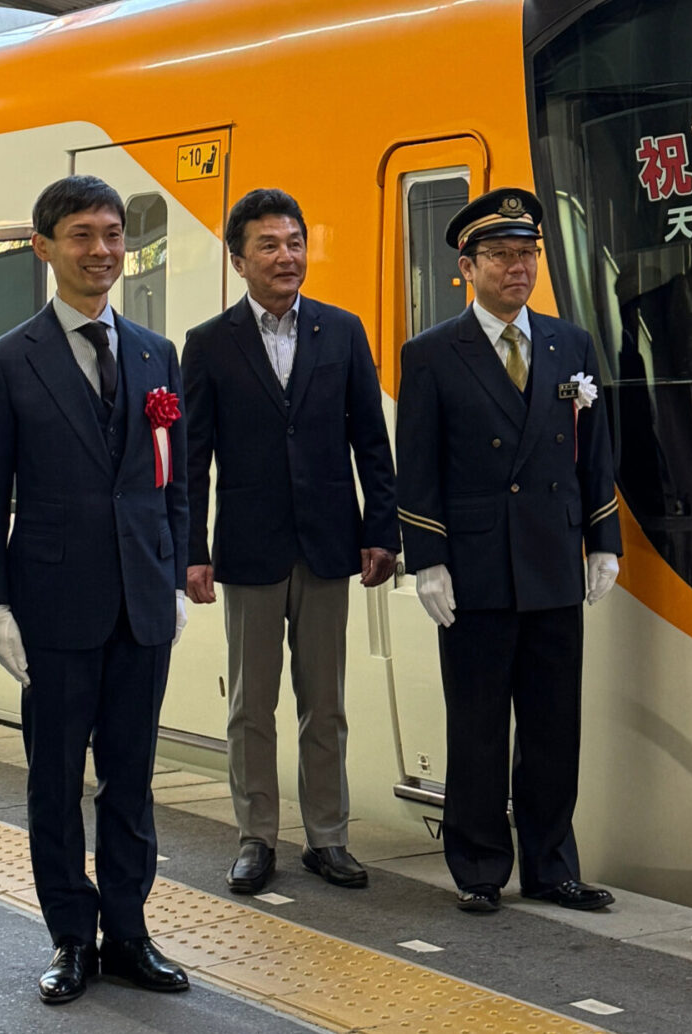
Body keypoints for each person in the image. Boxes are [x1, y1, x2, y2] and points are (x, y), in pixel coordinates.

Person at [0, 175, 190, 1005]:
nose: (101, 251)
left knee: (131, 777)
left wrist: (171, 571)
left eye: (111, 235)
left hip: (141, 602)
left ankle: (128, 931)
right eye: (82, 236)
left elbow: (173, 483)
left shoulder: (154, 354)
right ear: (44, 247)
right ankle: (70, 935)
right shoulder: (6, 362)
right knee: (54, 779)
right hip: (53, 607)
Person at [394, 187, 622, 914]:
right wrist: (426, 560)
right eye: (499, 256)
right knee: (480, 725)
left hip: (554, 562)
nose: (517, 268)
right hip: (477, 567)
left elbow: (595, 454)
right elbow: (417, 466)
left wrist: (604, 538)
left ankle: (553, 865)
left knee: (556, 726)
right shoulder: (431, 354)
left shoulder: (570, 343)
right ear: (467, 266)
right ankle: (480, 868)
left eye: (527, 254)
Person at [182, 188, 398, 895]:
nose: (287, 257)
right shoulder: (210, 344)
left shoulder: (342, 332)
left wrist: (381, 531)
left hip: (330, 542)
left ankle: (328, 839)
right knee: (251, 703)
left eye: (296, 242)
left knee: (325, 701)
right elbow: (193, 457)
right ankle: (256, 836)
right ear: (238, 259)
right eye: (270, 246)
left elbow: (371, 440)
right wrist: (193, 548)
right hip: (247, 548)